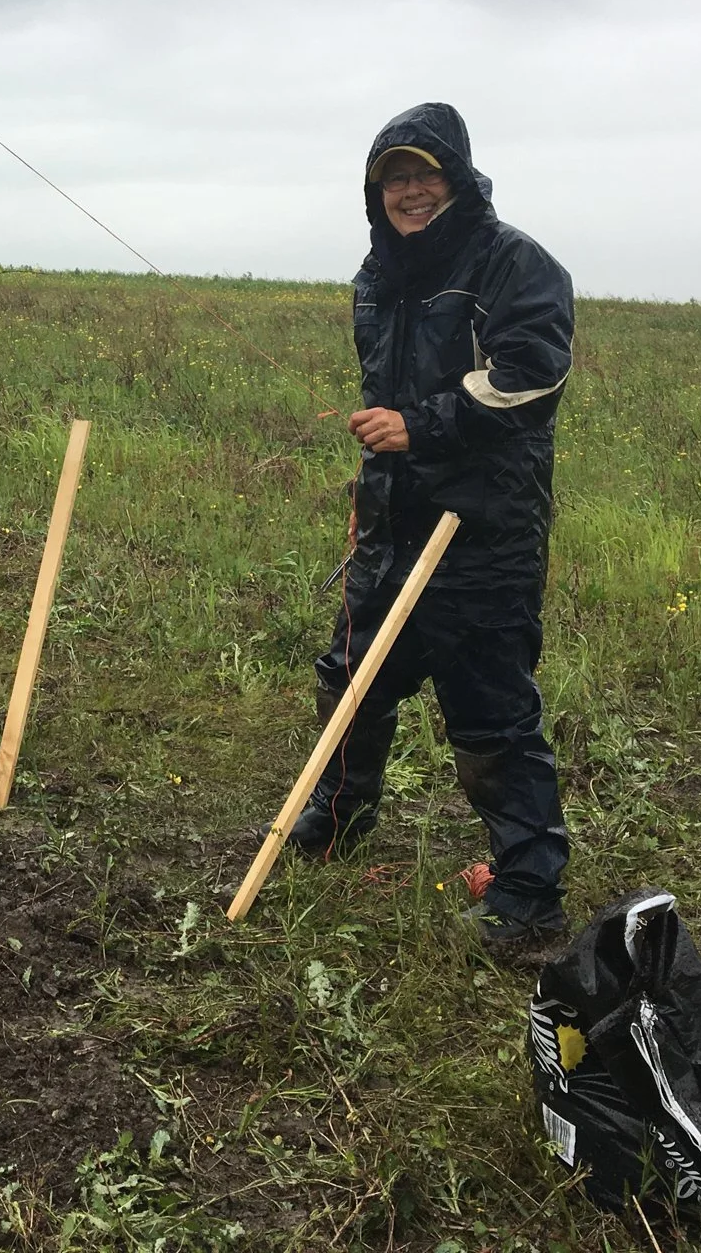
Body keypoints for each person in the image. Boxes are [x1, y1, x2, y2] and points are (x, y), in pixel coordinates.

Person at [292, 101, 575, 950]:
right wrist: (383, 457)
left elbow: (531, 378)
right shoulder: (376, 276)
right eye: (393, 179)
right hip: (393, 522)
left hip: (482, 528)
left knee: (491, 710)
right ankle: (336, 822)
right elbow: (386, 388)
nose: (409, 192)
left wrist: (421, 426)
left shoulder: (514, 263)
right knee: (353, 678)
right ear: (374, 192)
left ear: (456, 178)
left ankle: (527, 893)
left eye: (424, 174)